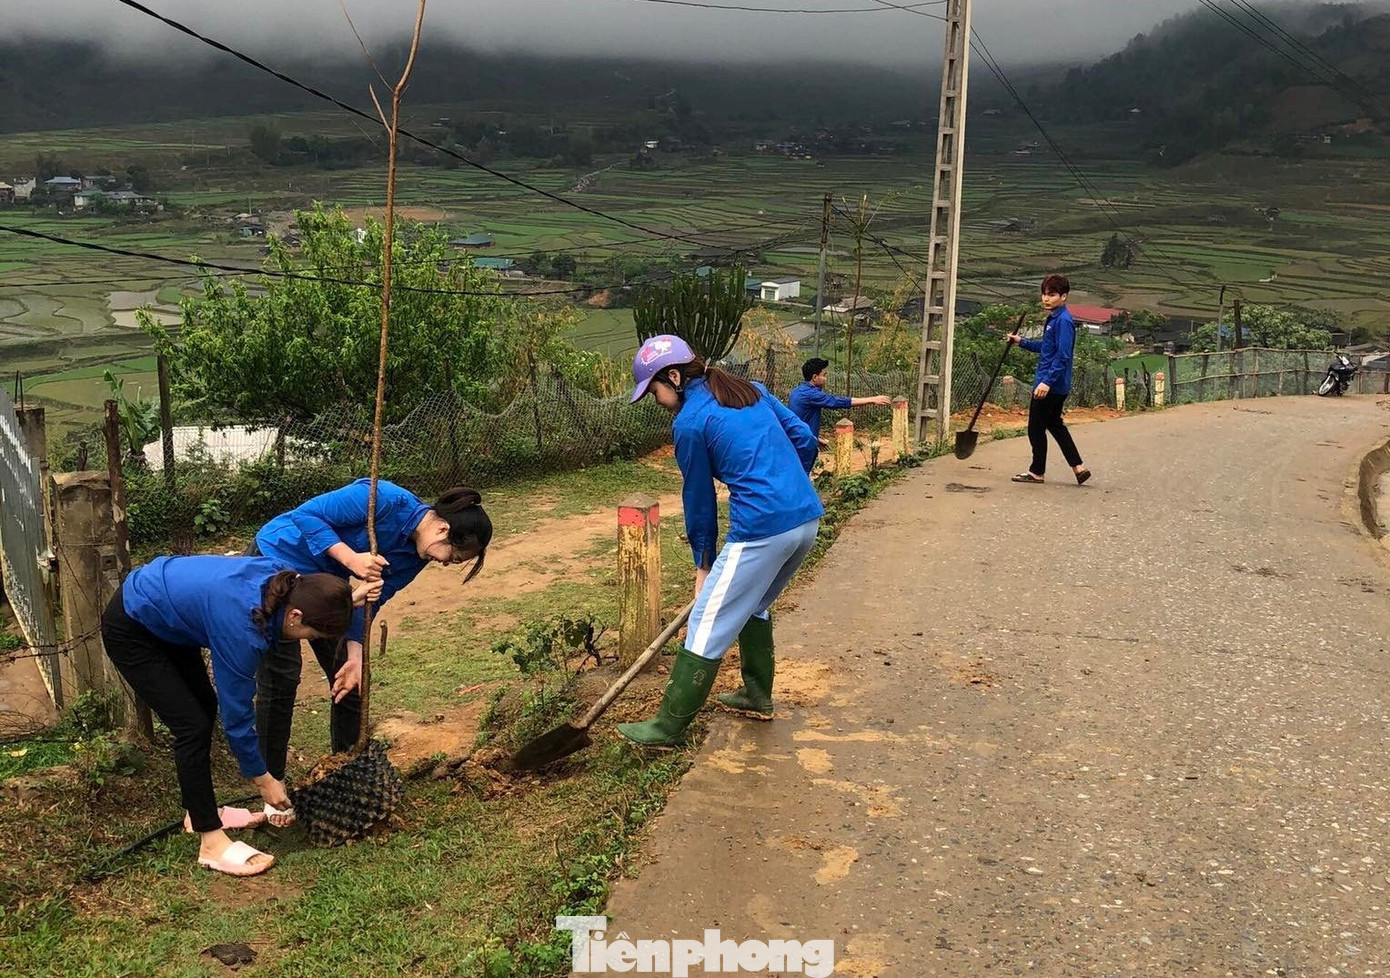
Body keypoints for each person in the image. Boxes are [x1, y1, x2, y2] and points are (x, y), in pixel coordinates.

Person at [618, 335, 823, 747]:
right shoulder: (754, 391)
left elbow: (699, 500)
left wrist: (703, 564)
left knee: (706, 622)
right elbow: (804, 440)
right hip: (805, 519)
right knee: (754, 604)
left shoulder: (690, 423)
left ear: (673, 377)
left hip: (761, 530)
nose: (657, 401)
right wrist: (788, 484)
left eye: (655, 390)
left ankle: (668, 726)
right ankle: (756, 693)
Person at [101, 556, 360, 877]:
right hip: (133, 626)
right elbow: (237, 720)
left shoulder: (283, 582)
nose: (307, 640)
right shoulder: (242, 630)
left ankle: (196, 814)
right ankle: (211, 842)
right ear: (295, 616)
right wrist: (264, 780)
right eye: (311, 634)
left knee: (203, 708)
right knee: (191, 726)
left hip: (169, 619)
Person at [249, 480, 492, 794]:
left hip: (326, 588)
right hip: (277, 561)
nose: (445, 563)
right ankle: (272, 786)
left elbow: (372, 599)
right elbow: (305, 516)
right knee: (281, 677)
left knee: (352, 679)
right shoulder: (384, 499)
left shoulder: (415, 556)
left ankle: (345, 773)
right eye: (453, 556)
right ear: (443, 529)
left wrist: (354, 656)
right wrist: (352, 560)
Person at [1008, 274, 1092, 486]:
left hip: (1051, 384)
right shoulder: (1054, 318)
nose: (1046, 299)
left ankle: (1037, 472)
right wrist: (1022, 342)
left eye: (1052, 295)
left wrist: (1046, 382)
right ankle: (1078, 468)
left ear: (1064, 296)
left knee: (1035, 427)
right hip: (1055, 383)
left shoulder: (1063, 321)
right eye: (1044, 294)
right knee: (1055, 425)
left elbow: (1062, 356)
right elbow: (1046, 348)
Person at [787, 357, 893, 446]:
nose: (826, 379)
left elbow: (800, 419)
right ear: (815, 377)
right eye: (824, 375)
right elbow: (837, 401)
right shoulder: (811, 394)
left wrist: (814, 437)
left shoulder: (797, 391)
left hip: (796, 439)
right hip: (802, 444)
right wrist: (872, 400)